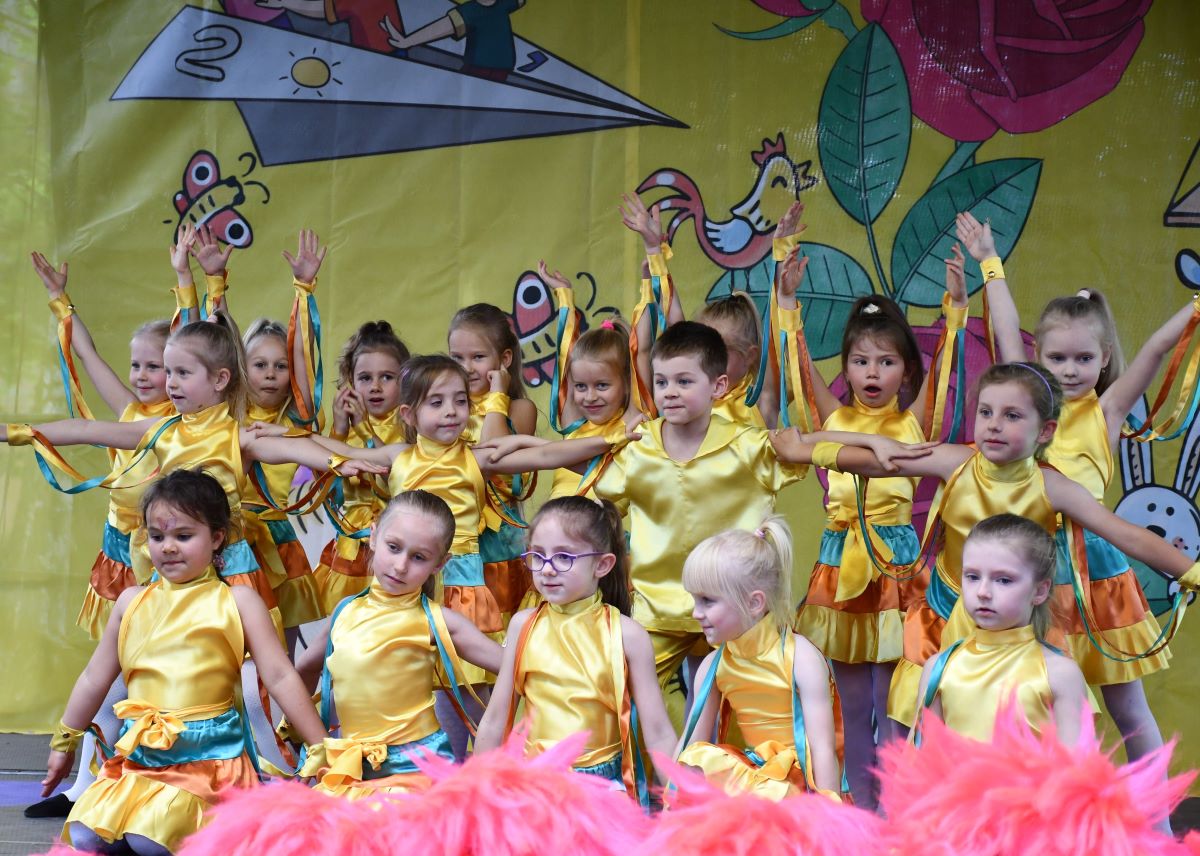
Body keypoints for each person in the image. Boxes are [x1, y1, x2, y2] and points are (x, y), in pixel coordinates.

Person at [479, 321, 926, 726]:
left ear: (718, 386)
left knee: (757, 717)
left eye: (684, 381)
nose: (670, 392)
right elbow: (544, 455)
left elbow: (813, 446)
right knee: (613, 699)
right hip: (660, 611)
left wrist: (873, 444)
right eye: (661, 382)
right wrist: (494, 453)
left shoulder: (747, 446)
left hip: (738, 613)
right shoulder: (637, 450)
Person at [770, 362, 1200, 733]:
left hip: (1017, 631)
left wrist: (1191, 571)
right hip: (944, 619)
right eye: (986, 412)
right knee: (920, 727)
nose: (993, 424)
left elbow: (1127, 534)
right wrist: (808, 451)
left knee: (1016, 725)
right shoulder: (955, 462)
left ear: (1045, 430)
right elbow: (876, 462)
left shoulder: (1052, 486)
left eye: (1012, 415)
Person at [962, 210, 1198, 765]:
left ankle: (1151, 814)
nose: (1069, 370)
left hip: (1095, 573)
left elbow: (1155, 351)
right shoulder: (1027, 406)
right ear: (1038, 358)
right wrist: (990, 263)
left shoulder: (1108, 410)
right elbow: (1006, 330)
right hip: (1031, 569)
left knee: (1128, 708)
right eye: (1057, 358)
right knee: (1043, 708)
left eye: (1084, 358)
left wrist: (1196, 306)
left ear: (1104, 357)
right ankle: (1052, 808)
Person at [4, 316, 386, 627]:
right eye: (169, 372)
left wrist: (338, 461)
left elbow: (290, 447)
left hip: (228, 571)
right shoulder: (162, 430)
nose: (170, 383)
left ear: (220, 379)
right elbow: (88, 429)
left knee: (244, 661)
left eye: (183, 373)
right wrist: (18, 432)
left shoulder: (236, 435)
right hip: (176, 569)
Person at [779, 208, 968, 808]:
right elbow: (797, 374)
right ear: (846, 367)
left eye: (886, 362)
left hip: (895, 568)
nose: (872, 372)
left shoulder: (915, 423)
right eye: (860, 361)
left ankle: (894, 815)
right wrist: (787, 305)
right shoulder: (830, 418)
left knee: (895, 704)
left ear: (905, 371)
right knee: (851, 702)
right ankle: (859, 814)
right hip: (838, 566)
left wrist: (955, 309)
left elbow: (947, 371)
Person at [42, 470, 329, 854]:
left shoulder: (238, 602)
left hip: (208, 761)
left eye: (183, 536)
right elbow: (95, 677)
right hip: (141, 757)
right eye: (157, 537)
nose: (168, 548)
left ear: (217, 538)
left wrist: (322, 747)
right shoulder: (131, 602)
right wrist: (65, 740)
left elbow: (279, 676)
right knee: (85, 835)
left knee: (148, 840)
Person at [294, 490, 502, 797]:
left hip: (417, 775)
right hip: (351, 771)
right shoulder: (344, 613)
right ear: (374, 536)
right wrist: (307, 739)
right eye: (394, 548)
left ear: (439, 564)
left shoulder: (437, 620)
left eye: (419, 557)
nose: (401, 565)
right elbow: (303, 671)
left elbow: (513, 664)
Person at [474, 496, 677, 799]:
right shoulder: (522, 624)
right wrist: (475, 791)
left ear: (602, 564)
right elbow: (495, 719)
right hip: (533, 786)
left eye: (564, 557)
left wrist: (682, 798)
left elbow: (658, 732)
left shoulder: (628, 635)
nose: (547, 569)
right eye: (538, 556)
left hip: (601, 790)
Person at [676, 516, 842, 800]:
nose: (695, 612)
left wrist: (829, 815)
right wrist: (672, 805)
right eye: (694, 600)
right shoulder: (713, 665)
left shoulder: (800, 658)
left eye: (707, 601)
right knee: (702, 760)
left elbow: (823, 749)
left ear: (754, 603)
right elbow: (691, 744)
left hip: (796, 789)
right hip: (751, 782)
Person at [915, 514, 1089, 745]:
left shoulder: (1060, 674)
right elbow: (923, 760)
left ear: (1039, 591)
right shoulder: (939, 669)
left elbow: (1077, 763)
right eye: (972, 577)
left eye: (1004, 580)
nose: (983, 592)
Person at [237, 229, 329, 647]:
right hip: (232, 536)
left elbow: (305, 362)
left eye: (280, 365)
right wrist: (211, 285)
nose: (271, 374)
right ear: (241, 369)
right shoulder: (229, 412)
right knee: (231, 640)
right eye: (260, 364)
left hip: (276, 537)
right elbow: (211, 345)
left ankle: (285, 695)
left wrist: (303, 291)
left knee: (282, 641)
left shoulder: (295, 417)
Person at [312, 320, 410, 613]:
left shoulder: (411, 425)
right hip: (353, 548)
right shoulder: (346, 428)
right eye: (365, 378)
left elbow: (394, 481)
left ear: (406, 381)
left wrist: (365, 430)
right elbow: (325, 490)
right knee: (347, 620)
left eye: (387, 377)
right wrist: (339, 431)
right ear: (351, 383)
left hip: (397, 544)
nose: (375, 387)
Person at [537, 259, 637, 498]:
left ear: (627, 383)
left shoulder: (631, 424)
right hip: (555, 519)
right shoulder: (574, 423)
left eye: (602, 385)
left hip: (600, 522)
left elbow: (640, 358)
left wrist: (655, 262)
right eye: (581, 386)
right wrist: (564, 296)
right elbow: (565, 356)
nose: (590, 397)